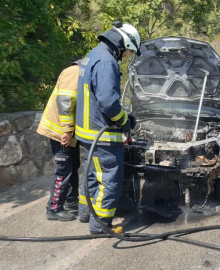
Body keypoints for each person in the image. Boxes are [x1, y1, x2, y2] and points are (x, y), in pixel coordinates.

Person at [75, 22, 140, 234]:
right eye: (129, 51)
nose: (126, 56)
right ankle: (100, 226)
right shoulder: (107, 61)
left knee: (92, 175)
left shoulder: (93, 54)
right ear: (123, 43)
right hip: (101, 135)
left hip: (87, 132)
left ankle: (86, 213)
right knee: (110, 179)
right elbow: (108, 102)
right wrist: (124, 121)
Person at [37, 60, 81, 221]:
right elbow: (65, 101)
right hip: (61, 131)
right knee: (63, 169)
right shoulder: (74, 72)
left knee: (73, 165)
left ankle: (71, 201)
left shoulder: (79, 72)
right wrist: (67, 130)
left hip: (68, 131)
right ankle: (54, 208)